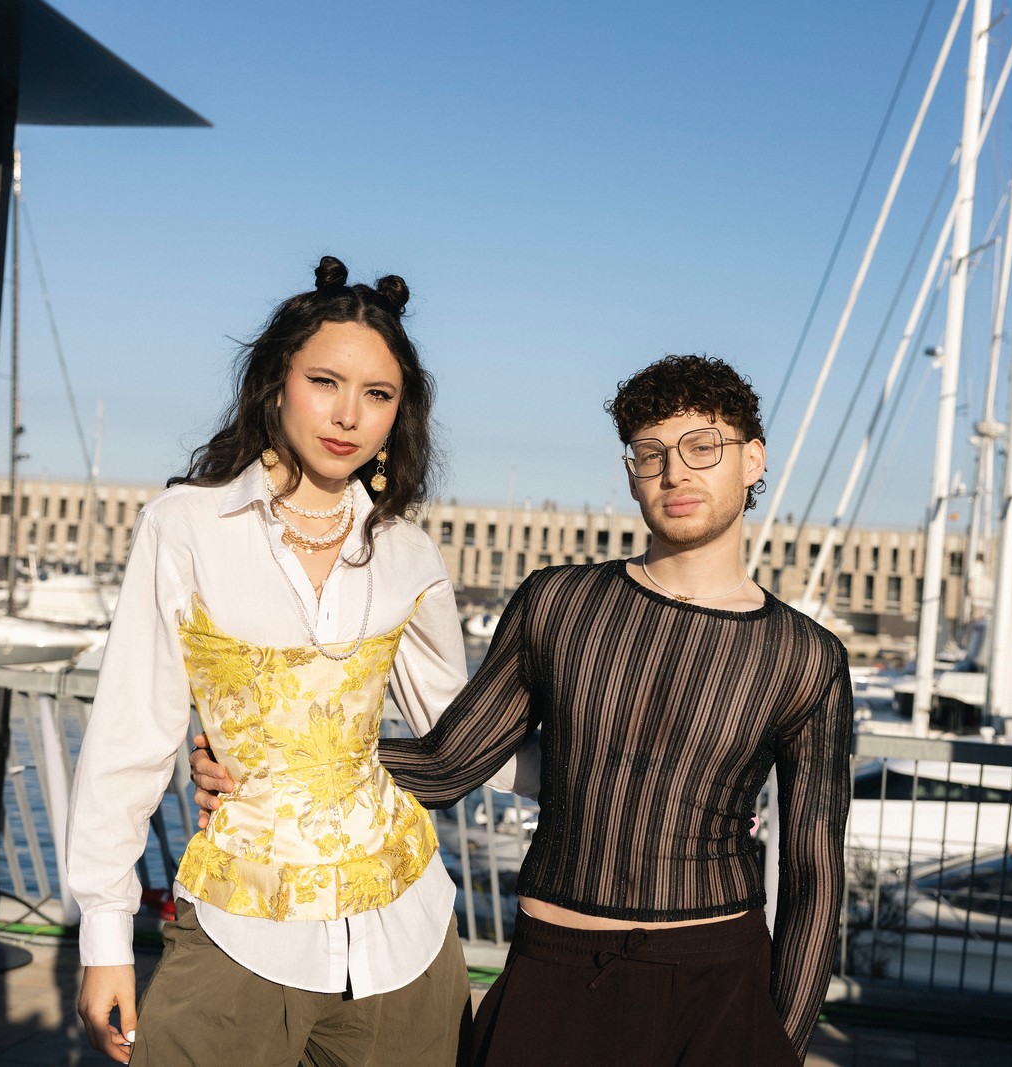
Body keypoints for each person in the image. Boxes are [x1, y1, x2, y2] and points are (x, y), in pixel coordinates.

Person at [192, 353, 853, 1064]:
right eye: (651, 452)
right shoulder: (558, 603)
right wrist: (263, 767)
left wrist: (781, 1045)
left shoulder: (806, 656)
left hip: (715, 979)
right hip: (553, 975)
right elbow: (448, 764)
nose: (674, 472)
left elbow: (814, 874)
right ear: (632, 472)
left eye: (702, 447)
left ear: (752, 460)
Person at [67, 256, 535, 1065]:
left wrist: (615, 776)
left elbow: (460, 736)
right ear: (276, 381)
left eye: (378, 394)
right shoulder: (187, 525)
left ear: (400, 412)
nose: (348, 414)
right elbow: (130, 734)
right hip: (241, 928)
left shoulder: (407, 552)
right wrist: (104, 934)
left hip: (407, 934)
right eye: (325, 381)